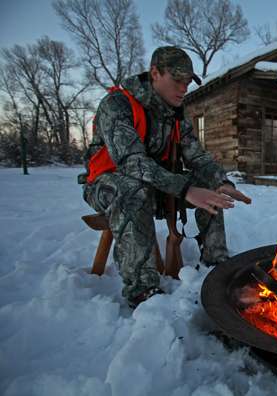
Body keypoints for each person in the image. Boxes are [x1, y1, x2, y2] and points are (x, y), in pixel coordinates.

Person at [78, 46, 251, 308]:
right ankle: (143, 290)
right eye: (177, 80)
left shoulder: (176, 116)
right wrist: (184, 189)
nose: (184, 88)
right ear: (155, 74)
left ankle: (216, 265)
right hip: (106, 184)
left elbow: (199, 159)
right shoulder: (117, 105)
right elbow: (131, 162)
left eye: (187, 82)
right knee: (132, 189)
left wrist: (221, 183)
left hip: (155, 185)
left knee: (208, 185)